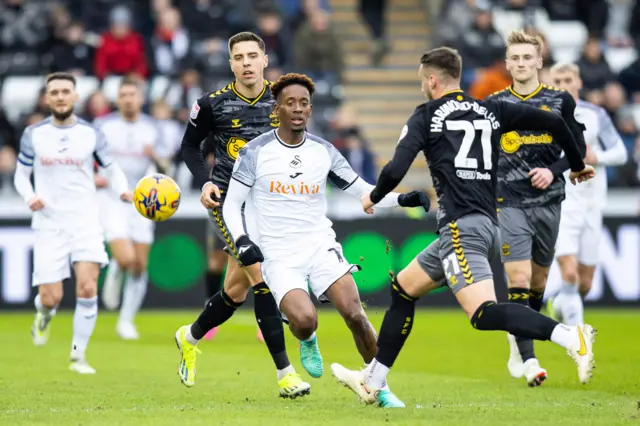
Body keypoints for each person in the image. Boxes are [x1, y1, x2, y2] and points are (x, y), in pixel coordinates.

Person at [330, 47, 598, 405]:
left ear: (431, 80)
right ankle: (374, 380)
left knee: (483, 313)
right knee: (404, 289)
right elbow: (554, 122)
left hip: (460, 225)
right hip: (483, 221)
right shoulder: (491, 110)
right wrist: (577, 164)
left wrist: (374, 196)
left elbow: (396, 168)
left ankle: (570, 337)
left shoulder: (425, 115)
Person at [223, 73, 427, 407]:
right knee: (304, 322)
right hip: (278, 255)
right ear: (277, 110)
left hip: (320, 246)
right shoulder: (255, 152)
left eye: (304, 103)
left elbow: (364, 191)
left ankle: (379, 386)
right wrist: (243, 240)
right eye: (291, 103)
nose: (299, 109)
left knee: (356, 315)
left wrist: (401, 200)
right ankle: (307, 338)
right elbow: (232, 204)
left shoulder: (323, 151)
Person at [174, 31, 312, 398]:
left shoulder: (284, 100)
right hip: (228, 204)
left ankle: (189, 336)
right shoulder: (212, 104)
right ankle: (286, 373)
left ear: (265, 60)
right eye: (239, 57)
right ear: (231, 63)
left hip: (273, 204)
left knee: (235, 291)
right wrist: (204, 183)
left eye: (253, 56)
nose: (247, 63)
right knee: (260, 274)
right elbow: (189, 146)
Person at [486, 30, 588, 386]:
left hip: (549, 201)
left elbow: (577, 145)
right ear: (507, 62)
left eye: (528, 58)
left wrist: (554, 170)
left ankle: (518, 336)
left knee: (539, 282)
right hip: (508, 199)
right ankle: (528, 358)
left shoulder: (560, 101)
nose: (521, 64)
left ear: (539, 61)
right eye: (515, 58)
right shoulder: (495, 103)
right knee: (518, 278)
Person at [13, 72, 131, 374]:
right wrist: (30, 198)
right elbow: (21, 175)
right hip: (49, 223)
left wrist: (122, 190)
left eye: (66, 91)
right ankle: (44, 315)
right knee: (52, 297)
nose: (61, 96)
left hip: (85, 221)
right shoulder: (34, 134)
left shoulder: (91, 134)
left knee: (88, 288)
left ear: (76, 96)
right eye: (55, 92)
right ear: (47, 98)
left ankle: (78, 356)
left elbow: (112, 168)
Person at [548, 63, 628, 325]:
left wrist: (598, 157)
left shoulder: (595, 115)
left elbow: (621, 153)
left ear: (578, 82)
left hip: (593, 205)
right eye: (557, 80)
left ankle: (560, 305)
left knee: (584, 284)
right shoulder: (543, 116)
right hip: (562, 203)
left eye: (567, 79)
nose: (563, 85)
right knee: (569, 274)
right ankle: (578, 338)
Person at [94, 79, 168, 340]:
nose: (127, 99)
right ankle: (117, 266)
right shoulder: (103, 126)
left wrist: (156, 158)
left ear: (140, 99)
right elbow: (85, 158)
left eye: (131, 95)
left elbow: (167, 169)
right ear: (117, 99)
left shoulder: (153, 128)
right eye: (122, 95)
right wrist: (94, 178)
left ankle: (126, 320)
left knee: (139, 265)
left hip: (142, 199)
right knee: (126, 258)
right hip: (110, 197)